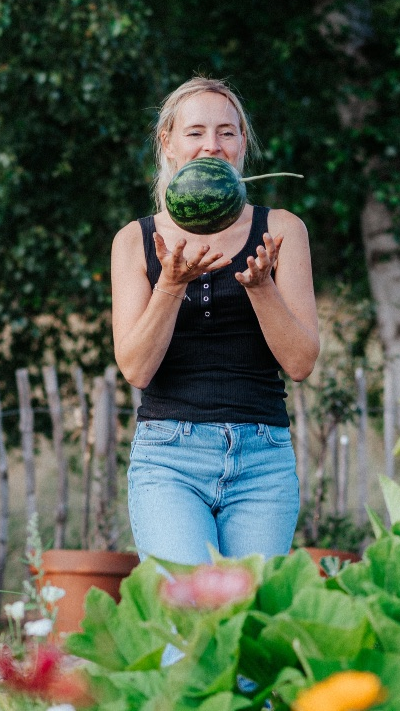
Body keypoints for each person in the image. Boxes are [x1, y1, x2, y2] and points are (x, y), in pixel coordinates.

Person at [110, 77, 320, 565]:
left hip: (261, 458)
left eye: (227, 132)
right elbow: (137, 369)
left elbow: (301, 362)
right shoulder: (133, 241)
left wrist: (262, 288)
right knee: (188, 623)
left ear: (242, 143)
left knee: (247, 626)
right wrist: (170, 284)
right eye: (196, 132)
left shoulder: (282, 230)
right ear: (168, 143)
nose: (213, 145)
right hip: (170, 458)